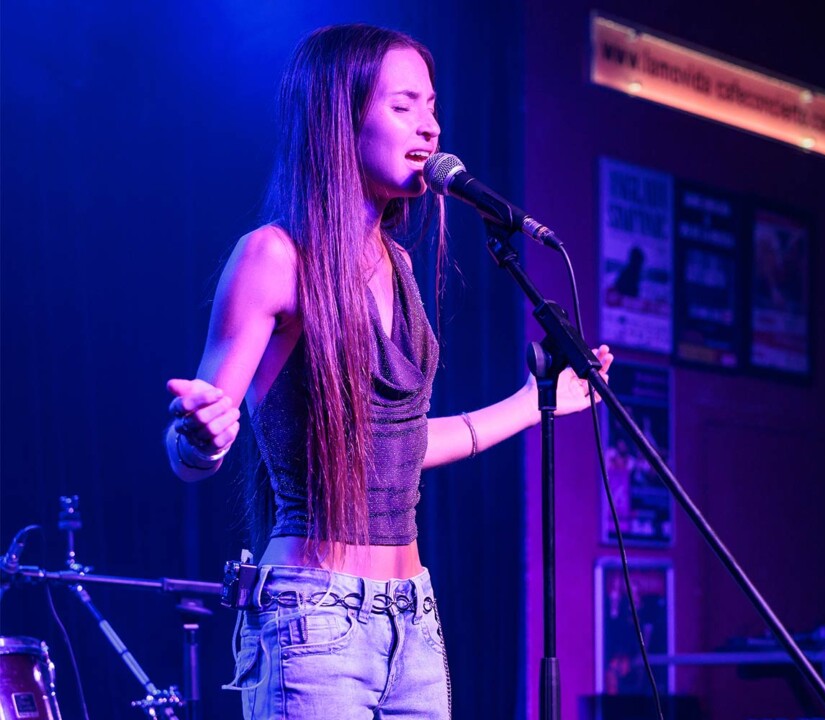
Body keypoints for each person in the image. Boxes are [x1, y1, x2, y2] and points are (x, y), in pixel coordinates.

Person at [163, 25, 612, 720]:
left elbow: (399, 448)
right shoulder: (275, 256)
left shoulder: (399, 266)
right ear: (339, 116)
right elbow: (194, 449)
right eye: (403, 106)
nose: (429, 126)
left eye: (432, 106)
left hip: (414, 617)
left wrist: (535, 402)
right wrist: (201, 436)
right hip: (316, 617)